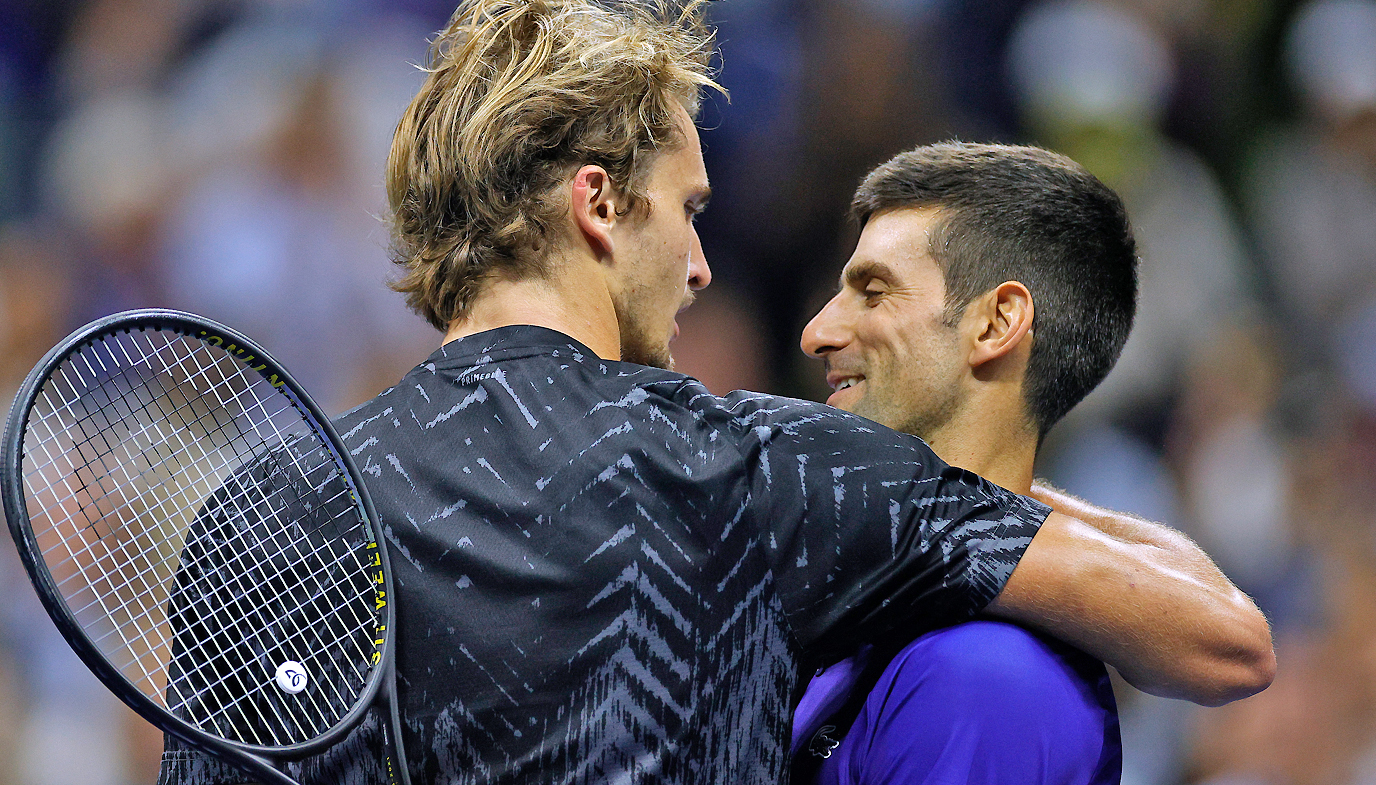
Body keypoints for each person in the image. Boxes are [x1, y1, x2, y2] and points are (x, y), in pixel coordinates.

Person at [159, 2, 1273, 784]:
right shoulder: (752, 463)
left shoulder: (264, 505)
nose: (699, 264)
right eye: (686, 209)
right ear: (597, 205)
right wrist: (954, 496)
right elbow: (1221, 639)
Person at [790, 142, 1152, 784]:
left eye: (873, 293)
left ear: (995, 325)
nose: (817, 332)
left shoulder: (983, 679)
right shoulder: (876, 617)